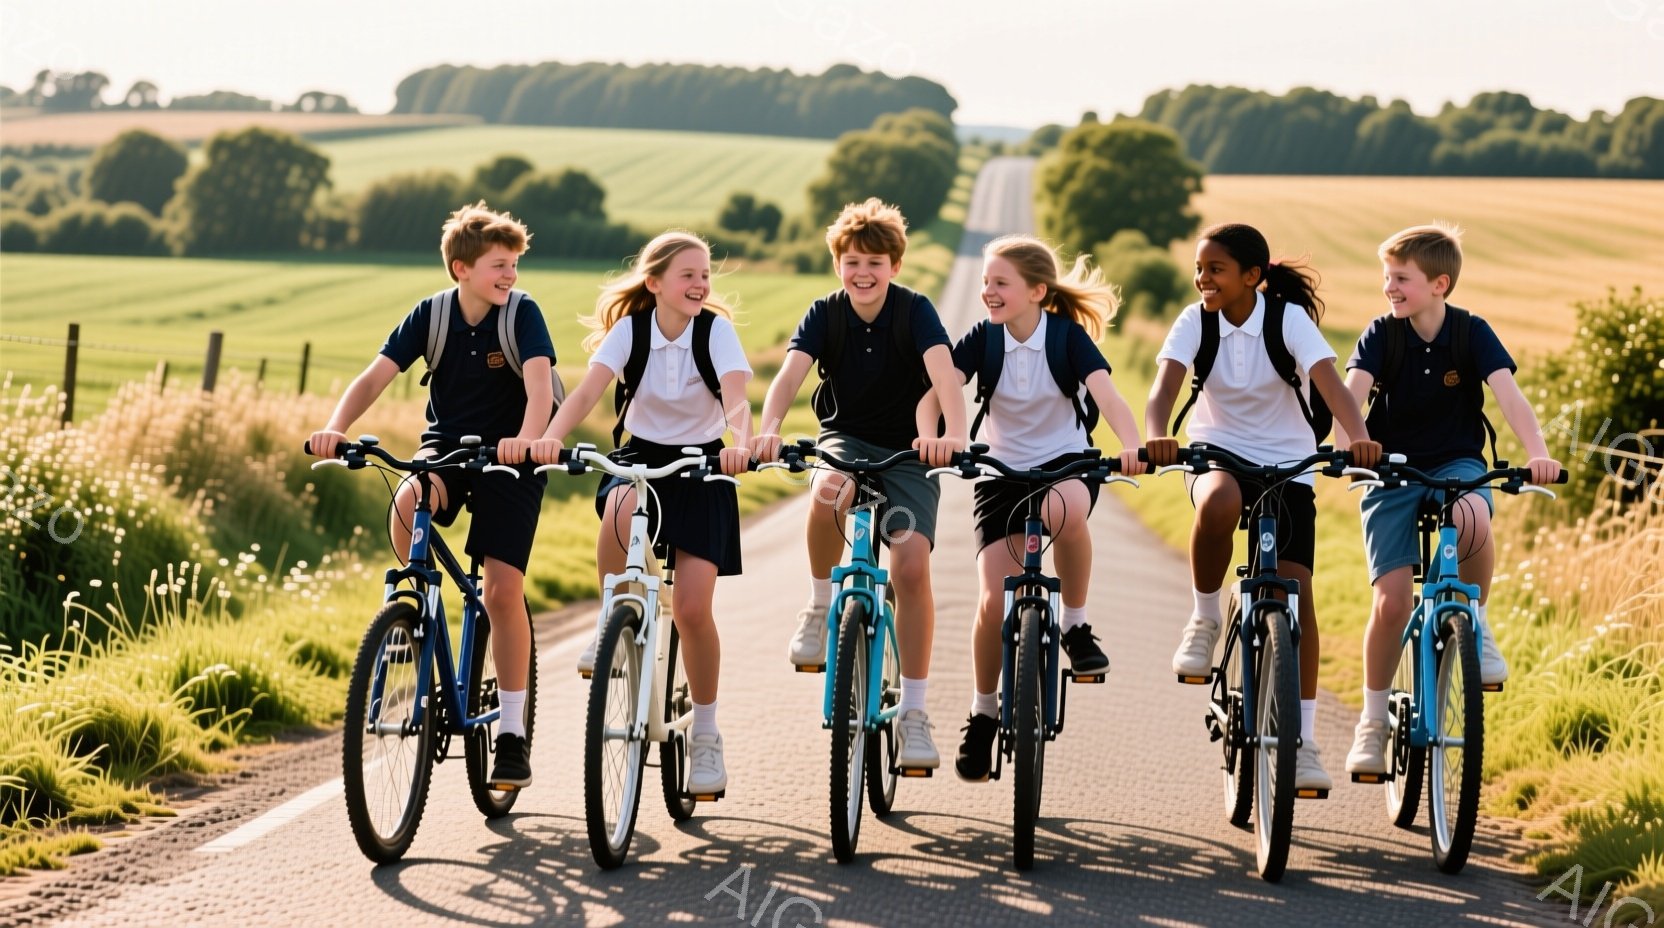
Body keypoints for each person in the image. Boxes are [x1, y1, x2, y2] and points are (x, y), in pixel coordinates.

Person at [309, 201, 553, 789]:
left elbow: (541, 385)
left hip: (511, 459)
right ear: (460, 268)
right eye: (499, 264)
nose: (510, 275)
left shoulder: (522, 315)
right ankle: (415, 609)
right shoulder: (433, 315)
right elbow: (375, 376)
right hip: (446, 451)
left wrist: (525, 441)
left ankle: (514, 736)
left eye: (514, 265)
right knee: (408, 498)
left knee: (501, 591)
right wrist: (335, 427)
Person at [1144, 222, 1381, 792]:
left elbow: (1331, 384)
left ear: (1252, 276)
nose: (1203, 278)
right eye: (1199, 268)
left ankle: (1302, 742)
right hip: (1215, 451)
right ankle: (1204, 617)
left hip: (1289, 461)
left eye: (1216, 269)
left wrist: (1358, 436)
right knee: (1220, 500)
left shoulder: (1287, 320)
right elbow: (1164, 390)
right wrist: (1155, 435)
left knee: (1297, 595)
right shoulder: (1194, 321)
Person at [917, 234, 1148, 782]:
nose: (988, 292)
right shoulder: (984, 339)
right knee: (990, 601)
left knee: (1063, 512)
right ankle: (983, 713)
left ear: (1037, 291)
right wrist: (935, 437)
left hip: (1065, 462)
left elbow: (1108, 396)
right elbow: (936, 391)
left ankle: (1075, 625)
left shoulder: (1067, 338)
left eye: (1000, 283)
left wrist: (1133, 443)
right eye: (985, 283)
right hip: (999, 471)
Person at [529, 230, 752, 795]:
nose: (701, 284)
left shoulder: (715, 332)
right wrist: (549, 438)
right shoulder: (630, 330)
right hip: (640, 458)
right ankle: (615, 617)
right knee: (620, 506)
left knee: (696, 610)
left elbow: (737, 398)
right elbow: (584, 394)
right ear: (654, 284)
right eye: (689, 275)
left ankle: (705, 736)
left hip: (703, 466)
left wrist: (741, 442)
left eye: (706, 275)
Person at [749, 197, 967, 771]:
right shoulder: (824, 314)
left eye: (874, 261)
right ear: (838, 265)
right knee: (826, 496)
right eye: (851, 262)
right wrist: (769, 429)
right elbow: (790, 375)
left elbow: (944, 373)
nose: (862, 272)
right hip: (843, 439)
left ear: (895, 265)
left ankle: (915, 714)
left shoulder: (915, 310)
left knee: (912, 565)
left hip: (910, 452)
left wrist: (957, 434)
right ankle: (820, 607)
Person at [1338, 223, 1562, 777]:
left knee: (1473, 513)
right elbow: (1352, 399)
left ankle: (1478, 625)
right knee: (1392, 602)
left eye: (1402, 278)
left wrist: (1537, 452)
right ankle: (1371, 724)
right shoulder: (1380, 336)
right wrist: (1349, 448)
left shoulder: (1471, 332)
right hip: (1389, 469)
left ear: (1440, 284)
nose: (1390, 287)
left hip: (1457, 462)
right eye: (1386, 277)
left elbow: (1510, 397)